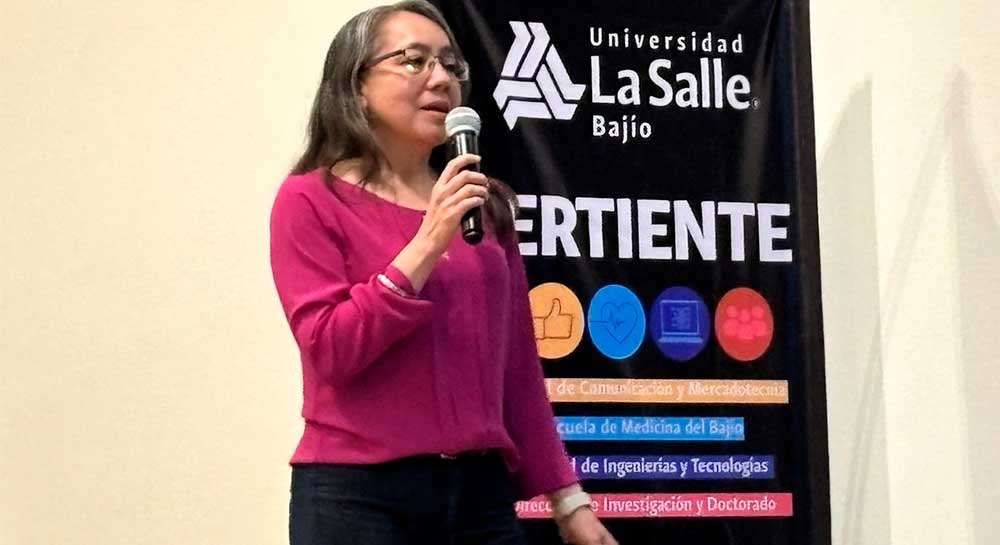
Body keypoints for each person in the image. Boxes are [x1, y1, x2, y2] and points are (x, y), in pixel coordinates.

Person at [269, 2, 617, 544]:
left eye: (451, 65)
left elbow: (517, 368)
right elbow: (332, 350)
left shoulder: (484, 203)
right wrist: (428, 242)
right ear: (356, 86)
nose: (440, 79)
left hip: (480, 496)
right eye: (414, 61)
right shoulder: (311, 200)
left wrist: (569, 503)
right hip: (357, 496)